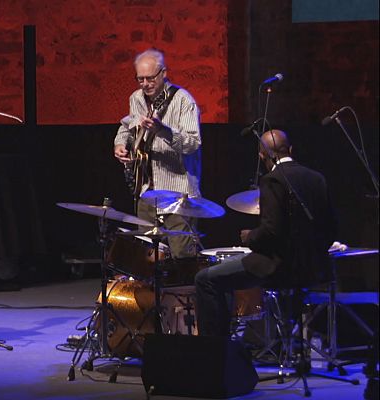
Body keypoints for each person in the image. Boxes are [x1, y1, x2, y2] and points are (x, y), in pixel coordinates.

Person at [194, 129, 337, 336]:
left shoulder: (272, 180)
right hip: (313, 266)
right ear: (290, 150)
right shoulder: (317, 178)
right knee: (220, 276)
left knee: (206, 279)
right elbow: (331, 228)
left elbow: (272, 232)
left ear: (262, 156)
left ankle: (215, 350)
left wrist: (250, 236)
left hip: (277, 266)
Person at [113, 48, 202, 259]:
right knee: (147, 256)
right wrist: (120, 144)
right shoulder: (136, 98)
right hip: (146, 190)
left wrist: (163, 130)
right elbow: (126, 126)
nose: (145, 84)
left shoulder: (183, 101)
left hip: (177, 192)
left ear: (163, 73)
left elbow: (193, 144)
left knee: (182, 256)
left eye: (150, 78)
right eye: (140, 79)